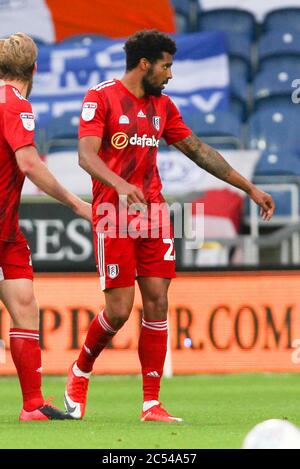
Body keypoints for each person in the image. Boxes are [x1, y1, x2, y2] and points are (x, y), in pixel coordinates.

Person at [64, 29, 275, 423]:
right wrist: (121, 184)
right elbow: (85, 155)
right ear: (144, 65)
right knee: (119, 311)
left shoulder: (163, 106)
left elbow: (199, 151)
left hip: (153, 212)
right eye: (166, 66)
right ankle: (81, 370)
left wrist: (249, 188)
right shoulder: (101, 97)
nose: (170, 74)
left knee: (158, 299)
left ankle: (150, 403)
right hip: (113, 214)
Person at [0, 32, 91, 421]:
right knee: (24, 310)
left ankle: (33, 404)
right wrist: (76, 203)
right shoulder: (15, 103)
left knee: (25, 307)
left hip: (7, 232)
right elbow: (29, 163)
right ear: (35, 69)